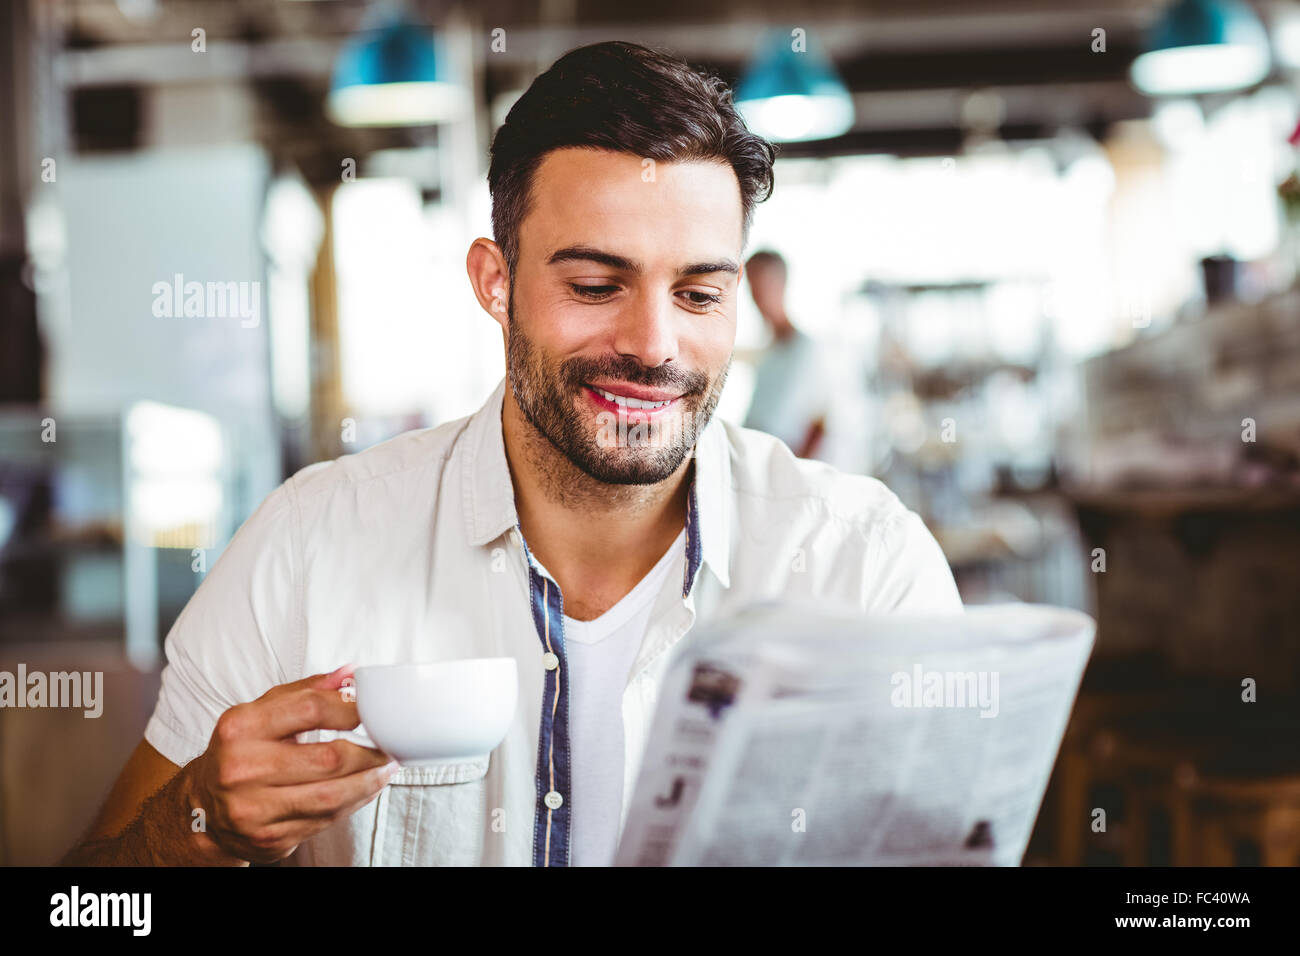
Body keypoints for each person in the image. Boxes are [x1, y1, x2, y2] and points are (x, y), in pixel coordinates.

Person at [64, 41, 961, 868]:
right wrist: (193, 825)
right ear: (496, 283)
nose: (654, 345)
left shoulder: (865, 568)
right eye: (595, 286)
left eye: (697, 293)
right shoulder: (311, 544)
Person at [742, 250, 832, 459]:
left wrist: (796, 470)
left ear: (781, 285)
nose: (758, 298)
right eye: (752, 287)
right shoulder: (768, 349)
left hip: (781, 464)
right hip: (754, 456)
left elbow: (821, 422)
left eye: (764, 286)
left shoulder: (808, 350)